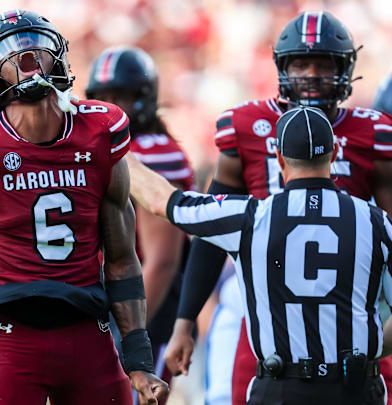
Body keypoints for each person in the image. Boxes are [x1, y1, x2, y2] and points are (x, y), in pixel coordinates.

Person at [0, 10, 168, 405]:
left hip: (89, 333)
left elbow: (123, 260)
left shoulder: (98, 140)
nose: (28, 59)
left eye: (37, 46)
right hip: (10, 338)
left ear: (60, 57)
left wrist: (138, 360)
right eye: (12, 52)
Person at [163, 11, 392, 404]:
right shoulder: (247, 125)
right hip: (262, 301)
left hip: (346, 299)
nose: (311, 74)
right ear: (283, 67)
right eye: (301, 63)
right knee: (231, 393)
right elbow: (211, 236)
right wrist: (186, 320)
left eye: (324, 64)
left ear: (345, 69)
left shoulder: (374, 133)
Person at [130, 105, 390, 404]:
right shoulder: (375, 221)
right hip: (355, 390)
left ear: (279, 159)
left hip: (280, 388)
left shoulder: (250, 216)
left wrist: (114, 144)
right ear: (333, 156)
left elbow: (160, 201)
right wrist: (366, 349)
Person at [85, 46, 194, 404]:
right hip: (116, 295)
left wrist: (129, 335)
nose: (110, 107)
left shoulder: (152, 150)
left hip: (147, 299)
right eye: (102, 99)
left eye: (119, 97)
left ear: (143, 98)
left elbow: (162, 261)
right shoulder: (116, 147)